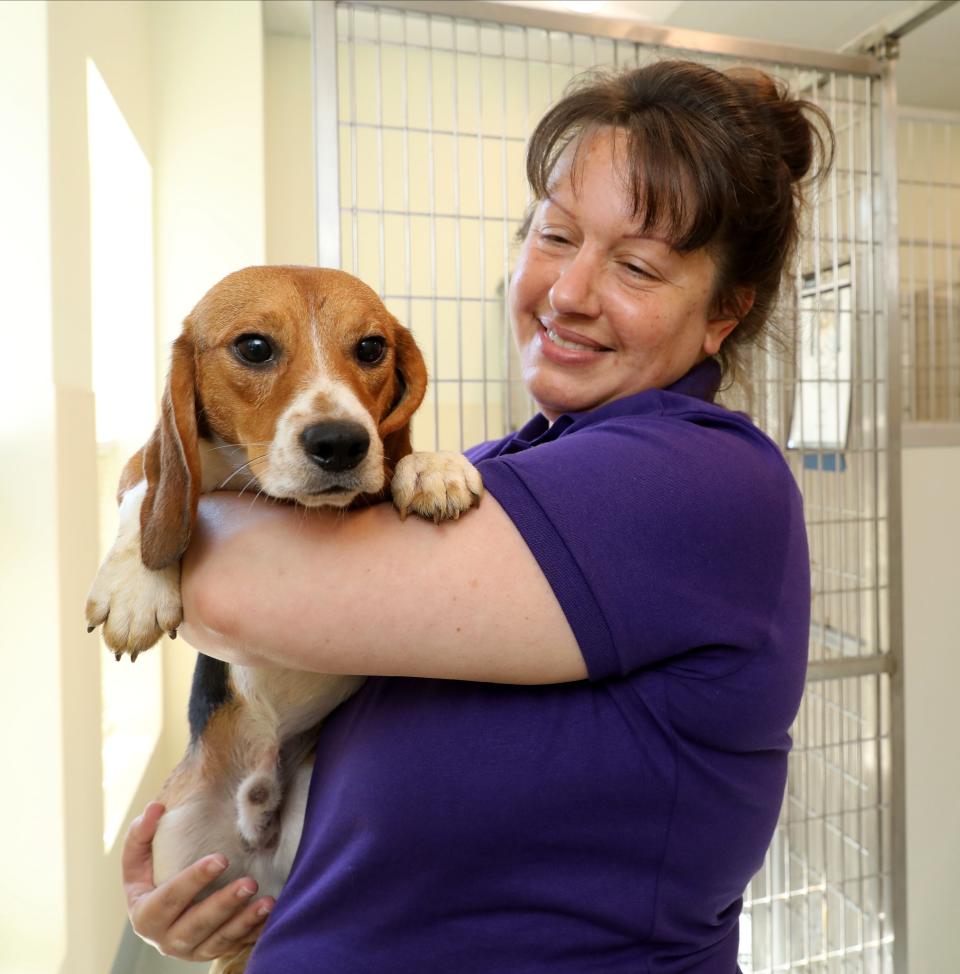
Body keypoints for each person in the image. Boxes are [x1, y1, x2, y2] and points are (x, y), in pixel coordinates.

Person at [122, 60, 831, 972]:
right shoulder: (493, 469)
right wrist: (213, 897)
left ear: (724, 314)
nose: (569, 292)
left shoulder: (701, 479)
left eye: (638, 266)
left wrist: (160, 502)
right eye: (556, 234)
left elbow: (235, 595)